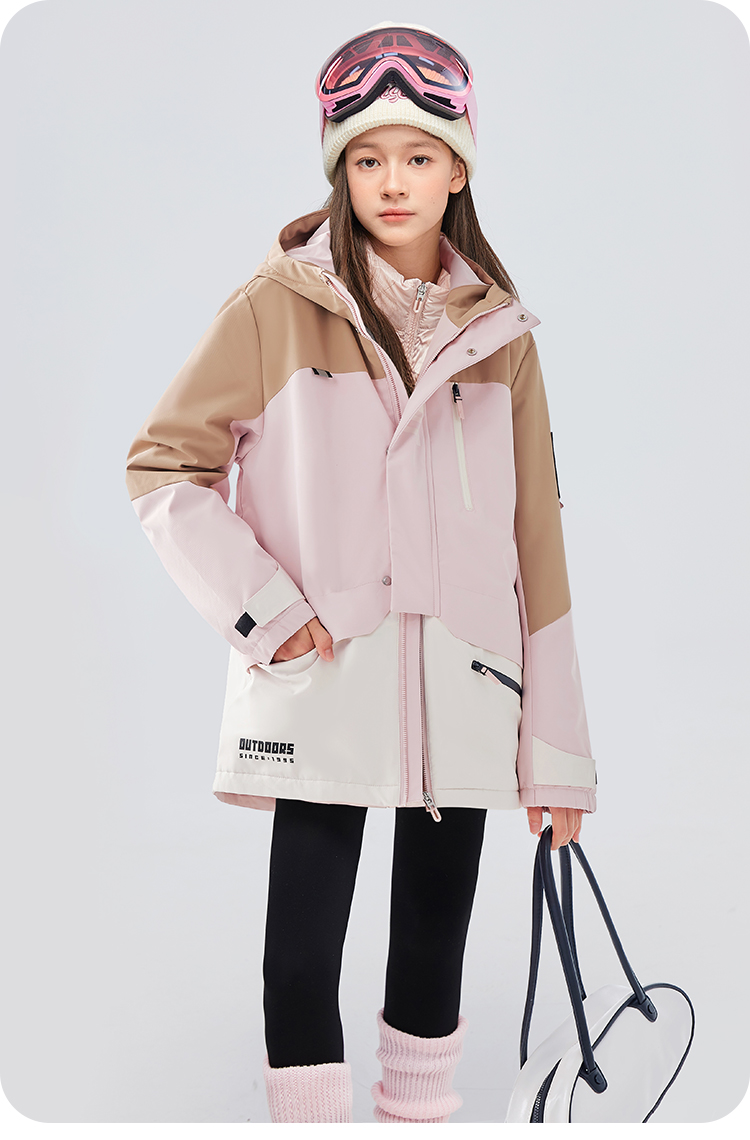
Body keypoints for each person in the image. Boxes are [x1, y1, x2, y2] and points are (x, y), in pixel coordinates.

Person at [125, 21, 597, 1125]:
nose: (394, 182)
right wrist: (265, 613)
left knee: (433, 948)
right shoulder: (275, 307)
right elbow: (163, 466)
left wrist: (559, 756)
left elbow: (539, 544)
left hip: (468, 689)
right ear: (339, 168)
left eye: (420, 156)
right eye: (369, 158)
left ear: (458, 170)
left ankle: (417, 1119)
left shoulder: (502, 338)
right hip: (322, 679)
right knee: (300, 956)